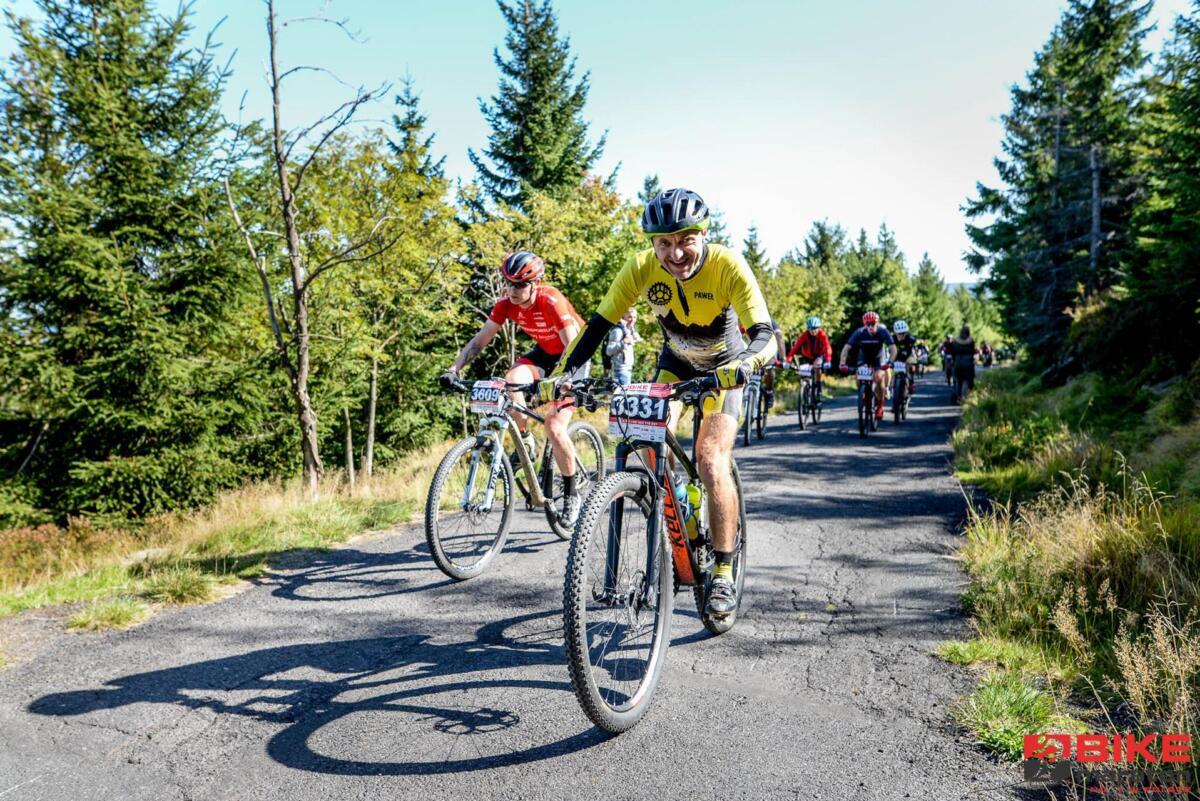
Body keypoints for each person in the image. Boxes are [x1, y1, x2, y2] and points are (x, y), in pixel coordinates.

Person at [547, 187, 776, 618]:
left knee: (710, 459)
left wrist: (746, 364)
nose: (675, 253)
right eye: (664, 243)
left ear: (704, 235)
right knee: (647, 447)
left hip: (724, 370)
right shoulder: (641, 267)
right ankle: (682, 511)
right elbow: (597, 327)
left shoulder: (727, 265)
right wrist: (566, 375)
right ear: (653, 244)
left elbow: (765, 334)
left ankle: (723, 570)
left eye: (686, 240)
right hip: (675, 366)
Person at [440, 251, 587, 525]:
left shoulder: (551, 300)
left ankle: (571, 494)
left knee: (554, 426)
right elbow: (480, 340)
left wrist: (562, 380)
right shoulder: (506, 303)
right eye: (508, 283)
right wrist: (454, 369)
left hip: (574, 356)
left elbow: (573, 347)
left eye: (519, 284)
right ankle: (526, 441)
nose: (512, 290)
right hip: (545, 353)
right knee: (511, 380)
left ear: (536, 283)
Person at [838, 311, 897, 421]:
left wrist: (890, 362)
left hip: (879, 357)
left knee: (879, 377)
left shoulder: (883, 331)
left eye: (872, 324)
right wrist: (842, 362)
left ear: (877, 323)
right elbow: (846, 348)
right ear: (865, 324)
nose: (870, 327)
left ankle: (880, 406)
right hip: (864, 356)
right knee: (859, 374)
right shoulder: (860, 332)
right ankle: (864, 392)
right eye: (867, 324)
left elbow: (893, 348)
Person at [785, 316, 833, 400]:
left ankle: (818, 389)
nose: (813, 331)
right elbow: (795, 348)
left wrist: (828, 360)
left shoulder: (822, 334)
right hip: (807, 356)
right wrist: (788, 360)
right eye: (811, 328)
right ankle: (805, 389)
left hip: (819, 355)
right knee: (803, 372)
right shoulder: (804, 335)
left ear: (819, 328)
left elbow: (827, 347)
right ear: (808, 328)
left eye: (815, 328)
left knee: (817, 366)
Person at [605, 308, 641, 385]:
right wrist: (623, 342)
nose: (632, 320)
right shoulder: (618, 331)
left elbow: (638, 338)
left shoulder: (629, 331)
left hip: (627, 370)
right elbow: (609, 351)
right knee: (622, 393)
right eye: (629, 317)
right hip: (620, 371)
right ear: (623, 317)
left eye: (634, 317)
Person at [948, 324, 977, 403]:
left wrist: (954, 361)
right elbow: (973, 351)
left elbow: (953, 352)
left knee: (958, 380)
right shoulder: (971, 340)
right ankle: (968, 396)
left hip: (958, 362)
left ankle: (958, 396)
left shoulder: (956, 341)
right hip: (968, 362)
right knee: (969, 380)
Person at [892, 320, 918, 396]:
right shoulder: (892, 339)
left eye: (903, 333)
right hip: (897, 357)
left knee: (912, 365)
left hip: (908, 356)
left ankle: (911, 383)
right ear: (895, 333)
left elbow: (917, 346)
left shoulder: (911, 339)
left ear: (906, 332)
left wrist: (917, 354)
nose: (901, 335)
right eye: (899, 333)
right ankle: (890, 386)